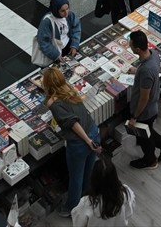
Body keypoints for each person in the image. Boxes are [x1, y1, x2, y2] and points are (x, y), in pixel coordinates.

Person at [42, 66, 102, 217]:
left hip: (80, 143)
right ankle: (86, 200)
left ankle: (72, 209)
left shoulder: (53, 104)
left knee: (76, 178)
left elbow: (73, 123)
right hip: (93, 131)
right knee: (88, 173)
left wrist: (88, 141)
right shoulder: (69, 89)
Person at [126, 30, 161, 171]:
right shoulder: (153, 54)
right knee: (148, 131)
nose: (129, 46)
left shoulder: (146, 71)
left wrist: (134, 116)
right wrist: (137, 71)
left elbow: (144, 97)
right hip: (151, 107)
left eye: (131, 45)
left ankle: (150, 161)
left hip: (144, 111)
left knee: (144, 138)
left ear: (138, 49)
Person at [71, 158, 135, 227]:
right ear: (114, 176)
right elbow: (129, 213)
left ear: (93, 178)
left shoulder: (87, 203)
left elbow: (78, 224)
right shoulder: (127, 192)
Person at [36, 0, 82, 65]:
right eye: (62, 11)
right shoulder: (47, 22)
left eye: (67, 9)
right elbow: (43, 41)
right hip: (54, 49)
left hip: (68, 46)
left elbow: (76, 28)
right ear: (56, 10)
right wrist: (55, 55)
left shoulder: (70, 15)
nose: (66, 13)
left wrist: (74, 45)